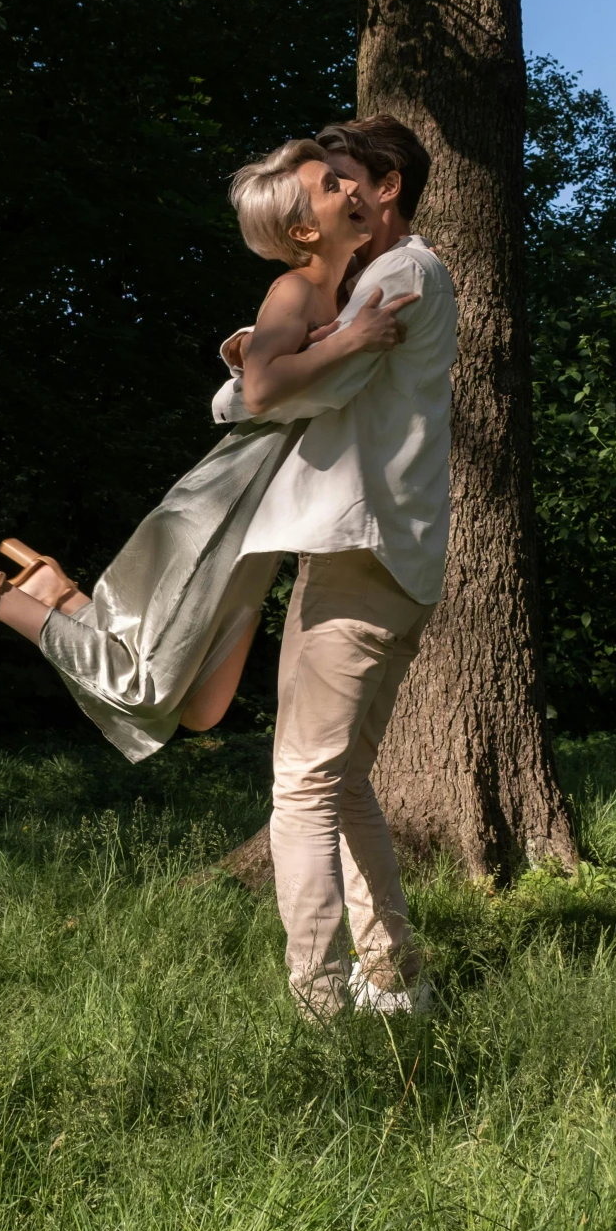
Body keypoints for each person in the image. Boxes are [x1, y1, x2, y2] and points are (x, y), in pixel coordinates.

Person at [0, 140, 417, 763]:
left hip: (261, 528)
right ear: (303, 229)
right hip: (226, 508)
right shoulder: (294, 291)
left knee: (202, 706)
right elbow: (265, 386)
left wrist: (334, 336)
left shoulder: (332, 297)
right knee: (141, 688)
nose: (351, 191)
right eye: (332, 186)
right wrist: (350, 342)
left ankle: (59, 594)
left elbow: (280, 369)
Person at [212, 116, 456, 1020]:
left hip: (360, 553)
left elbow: (280, 394)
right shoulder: (384, 279)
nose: (339, 190)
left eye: (346, 175)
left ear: (386, 187)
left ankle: (316, 1004)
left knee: (302, 785)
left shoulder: (397, 277)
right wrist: (258, 361)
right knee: (339, 779)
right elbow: (281, 382)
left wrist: (246, 370)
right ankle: (396, 980)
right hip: (374, 555)